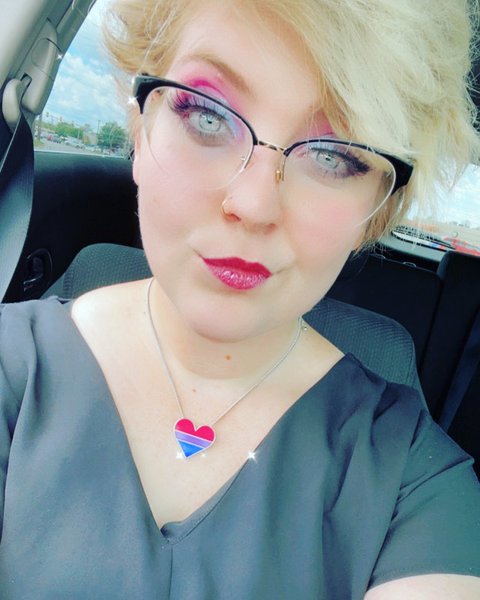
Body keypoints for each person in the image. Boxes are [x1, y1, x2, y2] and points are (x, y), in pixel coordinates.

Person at [0, 0, 479, 597]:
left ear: (375, 212)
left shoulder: (416, 481)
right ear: (141, 131)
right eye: (206, 114)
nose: (253, 205)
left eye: (334, 156)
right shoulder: (12, 365)